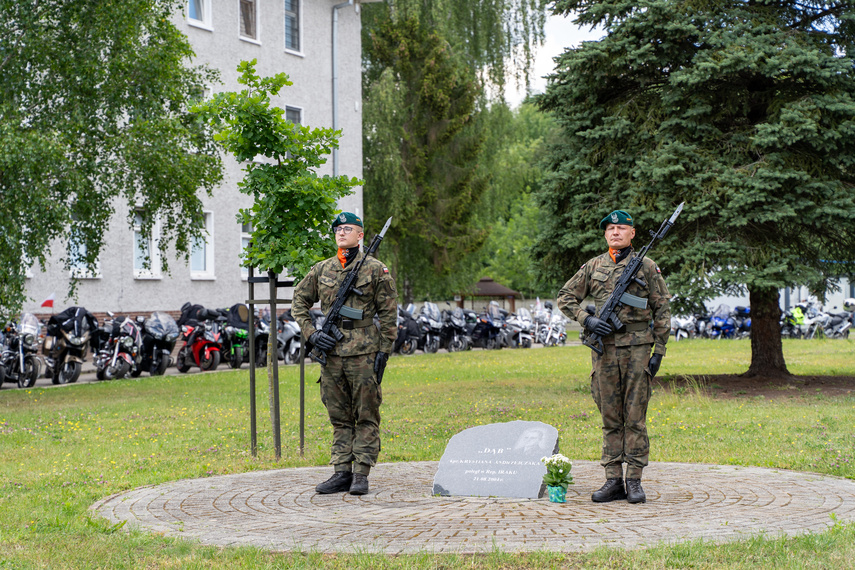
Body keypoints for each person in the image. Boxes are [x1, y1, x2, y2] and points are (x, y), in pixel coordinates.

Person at [557, 209, 671, 504]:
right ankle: (612, 480)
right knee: (610, 417)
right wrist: (587, 319)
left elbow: (661, 309)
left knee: (635, 418)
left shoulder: (646, 266)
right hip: (604, 350)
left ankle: (633, 480)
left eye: (621, 228)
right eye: (610, 229)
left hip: (637, 349)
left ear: (633, 233)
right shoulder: (593, 266)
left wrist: (659, 350)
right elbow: (565, 297)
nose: (615, 232)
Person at [291, 212, 398, 496]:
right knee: (338, 415)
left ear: (360, 235)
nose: (341, 233)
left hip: (364, 351)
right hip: (331, 353)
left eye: (347, 229)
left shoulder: (376, 270)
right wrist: (311, 333)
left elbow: (388, 314)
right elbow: (299, 300)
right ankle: (341, 471)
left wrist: (384, 351)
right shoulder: (322, 269)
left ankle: (361, 473)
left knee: (365, 414)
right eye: (337, 229)